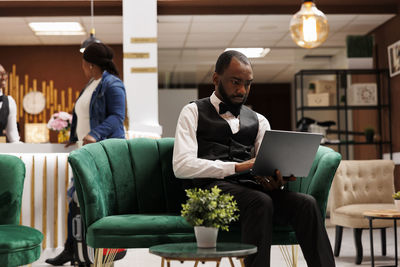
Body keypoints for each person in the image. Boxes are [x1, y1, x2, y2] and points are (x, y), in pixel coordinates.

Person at [172, 50, 336, 267]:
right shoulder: (192, 112)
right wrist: (238, 167)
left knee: (306, 204)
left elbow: (264, 163)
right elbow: (182, 166)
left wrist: (276, 179)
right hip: (210, 191)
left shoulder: (259, 120)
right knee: (259, 201)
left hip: (252, 191)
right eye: (235, 82)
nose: (242, 90)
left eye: (248, 84)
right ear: (215, 79)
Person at [45, 42, 126, 266]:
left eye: (83, 62)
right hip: (86, 152)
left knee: (88, 201)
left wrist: (94, 134)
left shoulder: (112, 84)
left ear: (90, 65)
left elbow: (117, 116)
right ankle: (73, 248)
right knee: (76, 200)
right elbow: (81, 115)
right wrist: (74, 137)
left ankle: (91, 251)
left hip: (102, 151)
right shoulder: (92, 84)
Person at [0, 64, 20, 143]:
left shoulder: (9, 102)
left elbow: (12, 135)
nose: (4, 77)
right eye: (0, 74)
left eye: (4, 73)